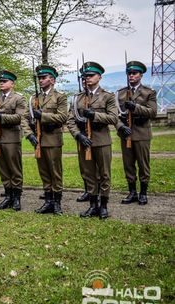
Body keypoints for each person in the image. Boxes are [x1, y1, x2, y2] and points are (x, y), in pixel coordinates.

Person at [68, 62, 118, 219]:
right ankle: (92, 205)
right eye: (85, 76)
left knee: (104, 174)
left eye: (91, 75)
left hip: (101, 140)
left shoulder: (108, 96)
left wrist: (94, 115)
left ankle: (103, 206)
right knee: (89, 174)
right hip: (84, 140)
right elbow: (70, 120)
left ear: (99, 77)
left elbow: (113, 118)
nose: (87, 78)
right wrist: (78, 135)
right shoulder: (77, 98)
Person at [22, 65, 68, 215]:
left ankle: (57, 202)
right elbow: (25, 118)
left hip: (53, 139)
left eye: (43, 78)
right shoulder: (35, 98)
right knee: (44, 172)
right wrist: (30, 135)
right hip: (38, 140)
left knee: (55, 172)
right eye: (39, 78)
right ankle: (48, 201)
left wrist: (43, 116)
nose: (41, 80)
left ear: (52, 80)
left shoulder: (59, 97)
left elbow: (62, 117)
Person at [116, 61, 157, 206]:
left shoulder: (148, 92)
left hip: (141, 133)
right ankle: (132, 192)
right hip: (126, 134)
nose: (131, 76)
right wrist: (120, 127)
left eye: (134, 73)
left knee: (143, 164)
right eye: (129, 73)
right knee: (128, 165)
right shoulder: (121, 93)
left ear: (141, 75)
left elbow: (152, 112)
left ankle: (143, 193)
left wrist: (136, 107)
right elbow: (116, 115)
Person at [0, 70, 26, 211]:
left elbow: (20, 117)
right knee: (3, 169)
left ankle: (16, 198)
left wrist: (1, 117)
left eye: (5, 81)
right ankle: (8, 196)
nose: (1, 83)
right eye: (0, 81)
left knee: (14, 169)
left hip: (12, 139)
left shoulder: (18, 98)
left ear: (12, 83)